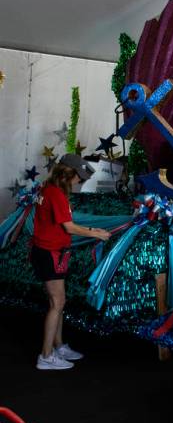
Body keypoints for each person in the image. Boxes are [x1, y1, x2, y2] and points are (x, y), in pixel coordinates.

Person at [32, 155, 112, 370]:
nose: (80, 181)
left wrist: (89, 231)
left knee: (58, 302)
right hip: (50, 253)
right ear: (69, 174)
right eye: (79, 176)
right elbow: (68, 227)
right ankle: (46, 356)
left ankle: (58, 347)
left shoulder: (47, 188)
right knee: (57, 304)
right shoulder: (55, 193)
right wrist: (94, 233)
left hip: (49, 251)